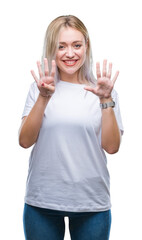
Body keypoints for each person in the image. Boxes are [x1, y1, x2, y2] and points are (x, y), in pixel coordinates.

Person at [19, 15, 124, 240]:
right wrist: (43, 97)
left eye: (77, 45)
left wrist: (105, 100)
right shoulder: (39, 89)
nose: (70, 53)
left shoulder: (104, 91)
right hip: (42, 201)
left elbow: (112, 147)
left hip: (92, 203)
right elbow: (24, 141)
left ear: (86, 47)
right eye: (61, 46)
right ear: (51, 49)